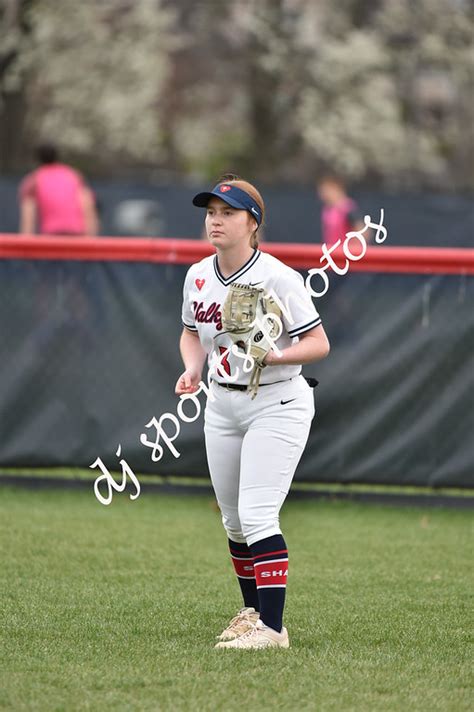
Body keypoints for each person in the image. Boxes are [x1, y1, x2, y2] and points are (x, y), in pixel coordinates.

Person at [175, 176, 330, 649]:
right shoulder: (198, 275)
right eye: (211, 212)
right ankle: (253, 613)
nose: (216, 221)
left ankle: (272, 629)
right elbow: (190, 332)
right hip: (222, 403)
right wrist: (192, 368)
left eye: (228, 213)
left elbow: (318, 343)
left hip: (277, 402)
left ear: (252, 223)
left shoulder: (279, 277)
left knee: (258, 514)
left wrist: (278, 356)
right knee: (234, 521)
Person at [18, 143, 99, 236]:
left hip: (52, 235)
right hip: (77, 234)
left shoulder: (33, 180)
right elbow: (87, 205)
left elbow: (28, 214)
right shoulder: (73, 175)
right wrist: (90, 237)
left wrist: (26, 239)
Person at [317, 174, 368, 246]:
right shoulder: (327, 209)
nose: (323, 194)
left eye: (327, 190)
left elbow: (363, 232)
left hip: (344, 251)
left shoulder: (347, 208)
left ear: (337, 189)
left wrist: (351, 249)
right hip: (331, 251)